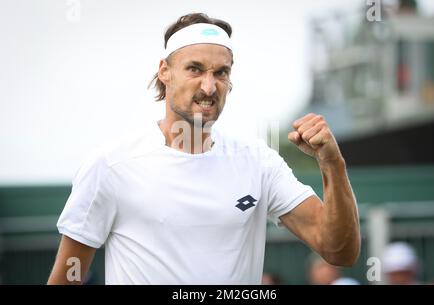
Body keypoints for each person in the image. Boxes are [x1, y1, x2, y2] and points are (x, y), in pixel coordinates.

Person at [47, 13, 360, 285]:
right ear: (164, 71)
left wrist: (333, 164)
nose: (209, 87)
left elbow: (339, 250)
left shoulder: (259, 162)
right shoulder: (110, 165)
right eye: (195, 69)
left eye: (220, 72)